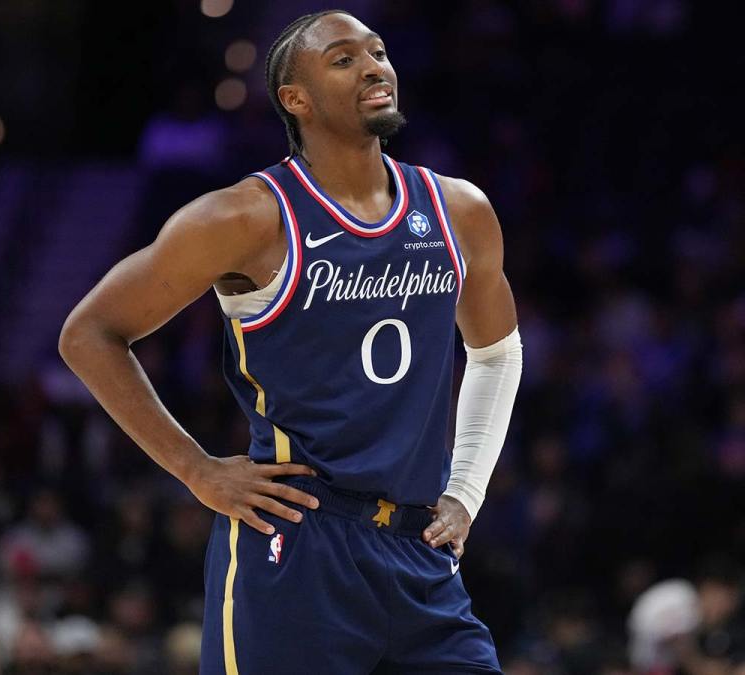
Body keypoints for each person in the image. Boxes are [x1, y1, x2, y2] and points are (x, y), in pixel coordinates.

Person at [59, 9, 522, 673]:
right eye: (344, 59)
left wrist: (468, 490)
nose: (374, 67)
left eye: (379, 52)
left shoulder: (459, 209)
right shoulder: (245, 217)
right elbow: (90, 333)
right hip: (298, 545)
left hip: (419, 549)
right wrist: (196, 469)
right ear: (294, 99)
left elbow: (498, 351)